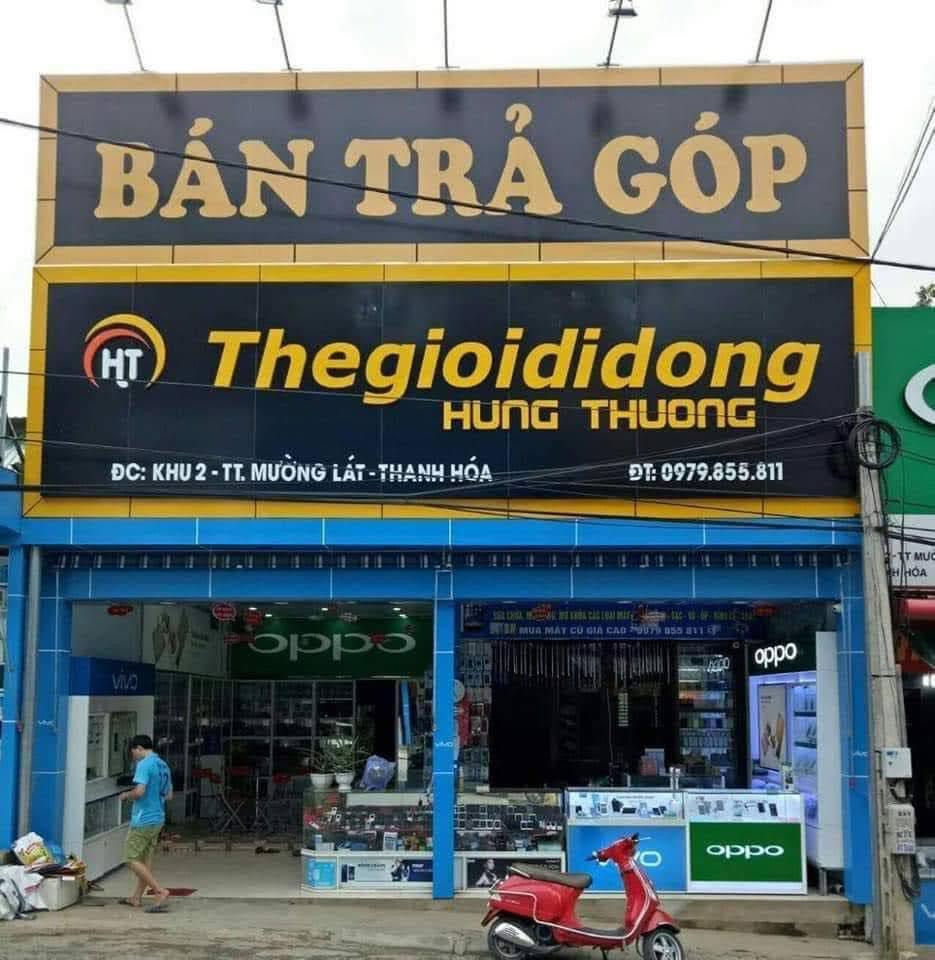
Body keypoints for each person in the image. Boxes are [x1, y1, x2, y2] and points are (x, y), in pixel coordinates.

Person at [119, 735, 172, 913]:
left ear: (139, 748)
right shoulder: (163, 765)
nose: (133, 756)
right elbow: (169, 795)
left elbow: (139, 792)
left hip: (143, 819)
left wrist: (127, 795)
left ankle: (159, 891)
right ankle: (136, 897)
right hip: (158, 818)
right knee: (144, 860)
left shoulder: (144, 765)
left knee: (130, 858)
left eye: (133, 752)